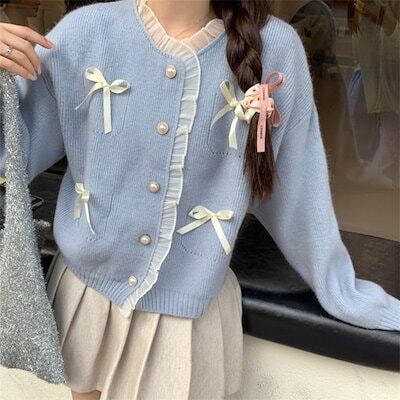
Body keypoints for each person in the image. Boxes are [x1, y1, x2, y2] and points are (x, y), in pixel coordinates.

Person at [0, 0, 399, 399]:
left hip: (186, 318)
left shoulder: (276, 48)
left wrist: (341, 290)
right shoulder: (84, 32)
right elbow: (12, 153)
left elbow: (300, 194)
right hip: (87, 297)